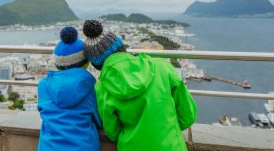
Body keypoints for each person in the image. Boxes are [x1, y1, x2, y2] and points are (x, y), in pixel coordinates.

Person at [82, 20, 197, 151]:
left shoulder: (102, 89)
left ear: (97, 65)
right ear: (122, 47)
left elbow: (113, 132)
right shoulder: (162, 67)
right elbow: (188, 116)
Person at [37, 26, 101, 151]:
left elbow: (43, 111)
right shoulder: (90, 86)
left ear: (57, 63)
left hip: (48, 146)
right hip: (84, 146)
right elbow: (98, 121)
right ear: (86, 62)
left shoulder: (43, 85)